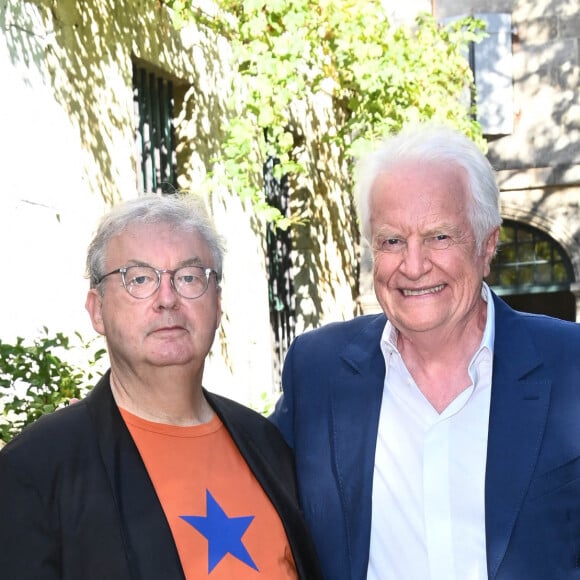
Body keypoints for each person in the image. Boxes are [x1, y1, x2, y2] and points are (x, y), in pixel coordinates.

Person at [271, 124, 580, 580]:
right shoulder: (318, 372)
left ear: (487, 245)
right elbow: (252, 505)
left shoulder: (570, 366)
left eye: (439, 237)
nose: (413, 267)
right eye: (392, 240)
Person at [0, 194, 322, 580]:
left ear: (217, 303)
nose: (167, 299)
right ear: (96, 309)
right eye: (138, 278)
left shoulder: (267, 446)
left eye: (188, 277)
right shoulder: (36, 471)